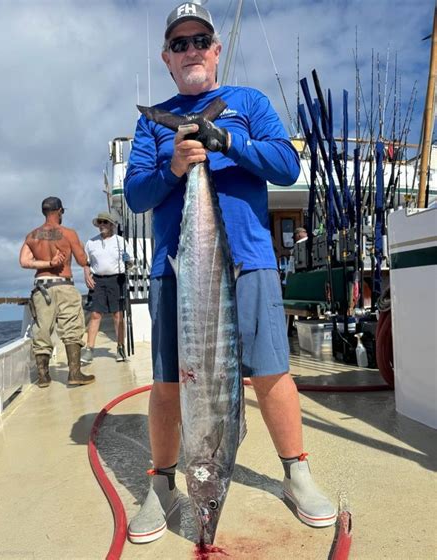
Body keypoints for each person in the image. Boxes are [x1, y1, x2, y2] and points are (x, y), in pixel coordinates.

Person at [124, 2, 336, 544]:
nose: (191, 50)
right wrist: (175, 164)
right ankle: (163, 484)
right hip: (179, 268)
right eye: (180, 44)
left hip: (250, 259)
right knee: (170, 381)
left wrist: (228, 142)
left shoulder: (248, 103)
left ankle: (296, 473)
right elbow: (136, 195)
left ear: (215, 50)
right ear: (167, 58)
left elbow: (287, 165)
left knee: (271, 373)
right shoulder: (154, 124)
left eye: (200, 41)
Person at [19, 196, 95, 387]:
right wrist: (84, 260)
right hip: (64, 285)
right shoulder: (68, 234)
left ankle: (44, 377)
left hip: (41, 287)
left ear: (44, 212)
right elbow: (81, 260)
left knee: (42, 330)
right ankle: (75, 373)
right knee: (72, 328)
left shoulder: (32, 235)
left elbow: (24, 262)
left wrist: (47, 264)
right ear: (60, 211)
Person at [81, 212, 133, 364]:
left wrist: (128, 262)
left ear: (111, 225)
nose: (102, 225)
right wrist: (87, 275)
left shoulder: (121, 241)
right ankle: (89, 350)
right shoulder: (91, 243)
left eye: (105, 222)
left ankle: (120, 348)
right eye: (100, 222)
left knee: (118, 315)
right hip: (98, 281)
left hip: (117, 280)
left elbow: (131, 262)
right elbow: (86, 262)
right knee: (96, 314)